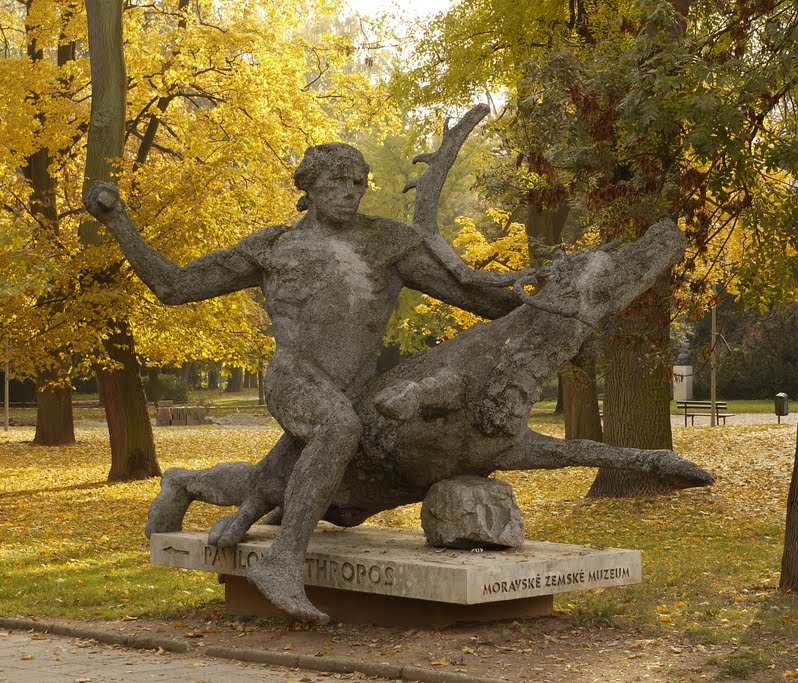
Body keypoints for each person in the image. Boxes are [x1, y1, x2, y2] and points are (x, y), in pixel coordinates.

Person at [84, 143, 522, 623]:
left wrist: (551, 297)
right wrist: (118, 222)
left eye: (359, 182)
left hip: (352, 392)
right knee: (338, 429)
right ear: (309, 186)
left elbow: (479, 300)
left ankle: (184, 484)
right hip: (294, 377)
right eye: (338, 181)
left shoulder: (389, 245)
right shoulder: (274, 247)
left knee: (275, 482)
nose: (351, 192)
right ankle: (282, 562)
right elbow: (174, 286)